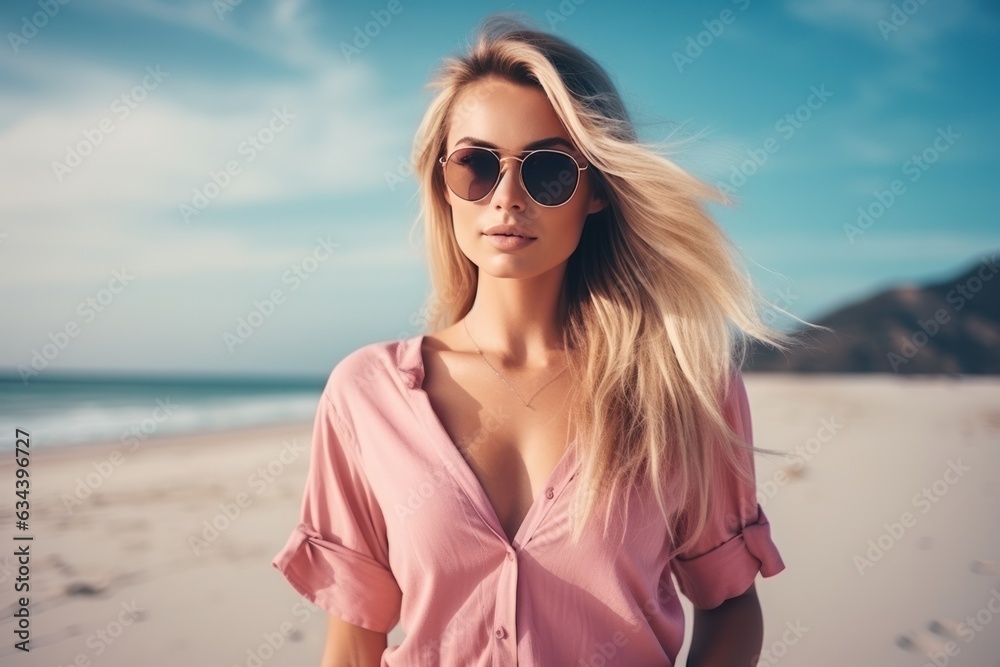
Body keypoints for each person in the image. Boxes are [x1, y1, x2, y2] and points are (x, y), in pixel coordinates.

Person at [272, 12, 818, 666]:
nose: (506, 198)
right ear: (442, 184)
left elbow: (728, 605)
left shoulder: (684, 388)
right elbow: (354, 640)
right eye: (476, 165)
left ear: (595, 190)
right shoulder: (366, 394)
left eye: (549, 170)